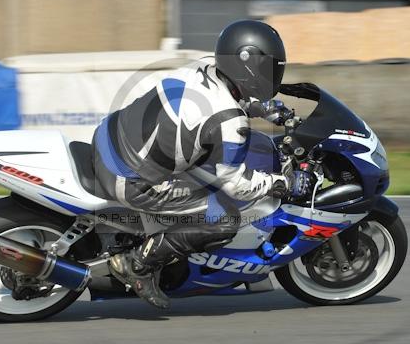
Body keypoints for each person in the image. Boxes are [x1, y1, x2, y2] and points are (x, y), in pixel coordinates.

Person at [91, 20, 311, 309]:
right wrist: (282, 183)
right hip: (129, 178)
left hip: (110, 137)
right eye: (268, 68)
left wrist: (261, 107)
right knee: (224, 219)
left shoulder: (203, 66)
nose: (272, 75)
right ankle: (138, 265)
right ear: (247, 66)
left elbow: (216, 100)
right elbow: (236, 183)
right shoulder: (230, 122)